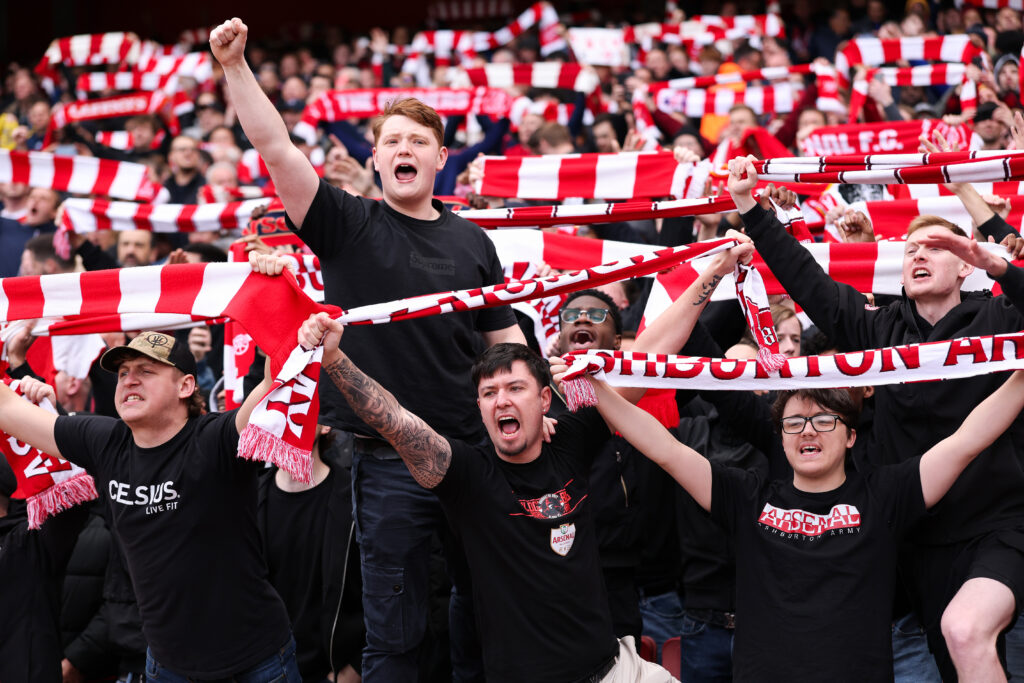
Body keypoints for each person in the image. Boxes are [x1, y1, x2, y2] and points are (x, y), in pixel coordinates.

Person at [211, 17, 526, 682]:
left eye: (420, 140)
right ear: (376, 160)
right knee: (397, 633)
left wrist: (535, 399)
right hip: (386, 466)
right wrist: (236, 67)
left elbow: (504, 338)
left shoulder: (474, 242)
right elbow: (277, 149)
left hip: (472, 454)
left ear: (442, 160)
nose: (405, 148)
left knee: (485, 615)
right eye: (393, 142)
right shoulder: (346, 222)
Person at [728, 155, 1024, 681]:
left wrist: (1002, 267)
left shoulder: (1000, 318)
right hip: (914, 543)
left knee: (967, 631)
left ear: (966, 265)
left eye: (937, 247)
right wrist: (751, 207)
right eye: (909, 250)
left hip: (998, 528)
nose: (918, 255)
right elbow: (808, 282)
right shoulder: (880, 329)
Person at [557, 362, 1024, 681]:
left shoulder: (886, 493)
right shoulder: (746, 496)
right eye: (794, 423)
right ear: (780, 439)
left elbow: (968, 439)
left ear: (850, 437)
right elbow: (665, 449)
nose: (807, 432)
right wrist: (597, 390)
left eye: (823, 421)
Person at [300, 312, 675, 683]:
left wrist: (710, 273)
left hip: (614, 669)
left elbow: (644, 359)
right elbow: (394, 420)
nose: (501, 401)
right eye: (489, 393)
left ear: (545, 398)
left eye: (515, 388)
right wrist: (333, 357)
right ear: (479, 408)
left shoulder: (570, 441)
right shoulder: (468, 475)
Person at [0, 254, 303, 681]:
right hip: (166, 668)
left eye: (146, 370)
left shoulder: (216, 439)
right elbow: (7, 407)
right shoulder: (105, 440)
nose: (129, 381)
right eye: (122, 373)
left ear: (185, 386)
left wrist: (274, 283)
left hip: (255, 663)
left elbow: (277, 375)